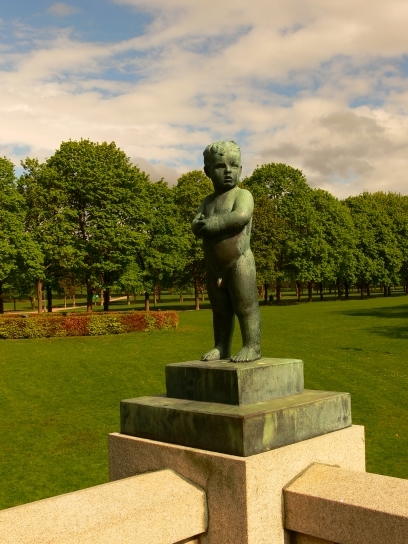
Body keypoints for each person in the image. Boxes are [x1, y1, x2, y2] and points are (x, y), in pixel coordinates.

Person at [192, 141, 261, 363]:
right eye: (220, 166)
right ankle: (222, 346)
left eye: (234, 165)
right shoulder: (207, 201)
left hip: (239, 262)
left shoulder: (243, 195)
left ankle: (252, 346)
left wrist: (215, 224)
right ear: (208, 171)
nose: (228, 171)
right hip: (214, 268)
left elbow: (241, 216)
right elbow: (196, 222)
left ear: (241, 169)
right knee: (220, 310)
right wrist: (197, 225)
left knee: (245, 306)